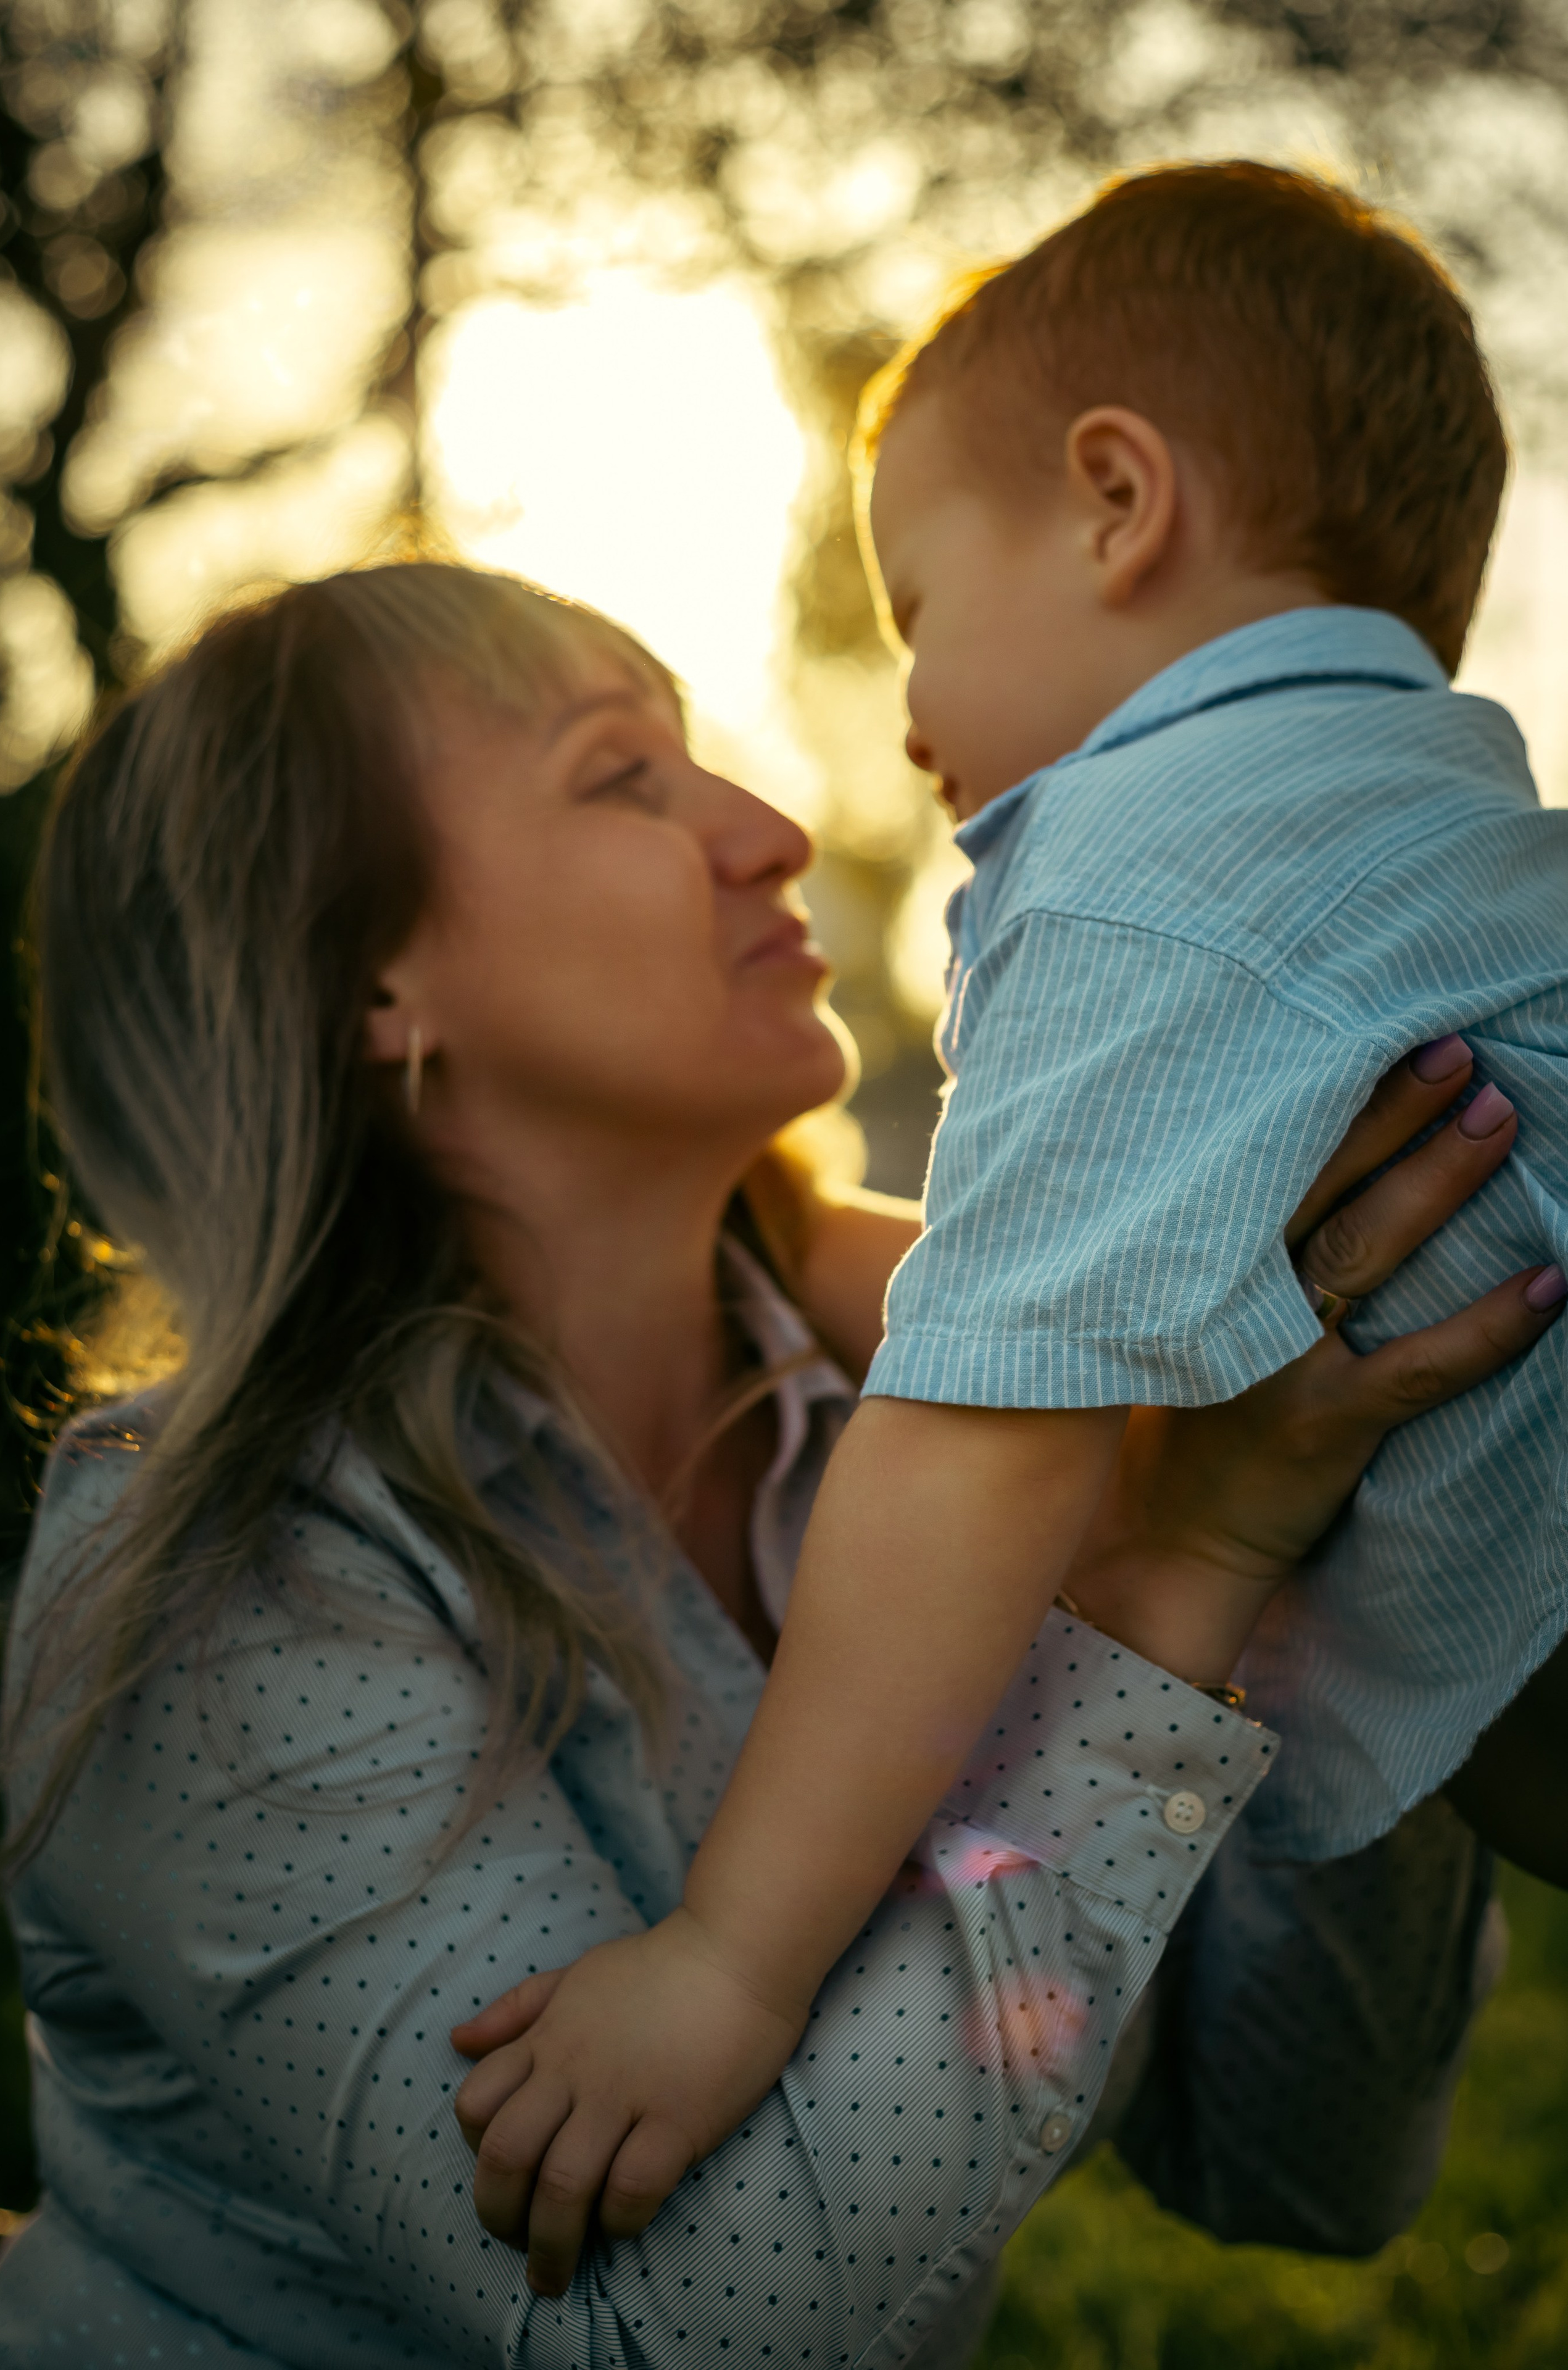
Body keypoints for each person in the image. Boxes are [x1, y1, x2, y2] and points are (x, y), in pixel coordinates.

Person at [0, 563, 1537, 2366]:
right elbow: (660, 2331)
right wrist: (1170, 1586)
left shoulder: (954, 1440)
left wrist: (1354, 1496)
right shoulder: (216, 1569)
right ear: (367, 974)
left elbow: (1306, 2165)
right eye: (620, 778)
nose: (773, 833)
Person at [467, 161, 1568, 2274]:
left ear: (1117, 503)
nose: (897, 725)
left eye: (916, 613)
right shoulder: (1418, 824)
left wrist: (729, 1962)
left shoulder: (1138, 866)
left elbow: (972, 1446)